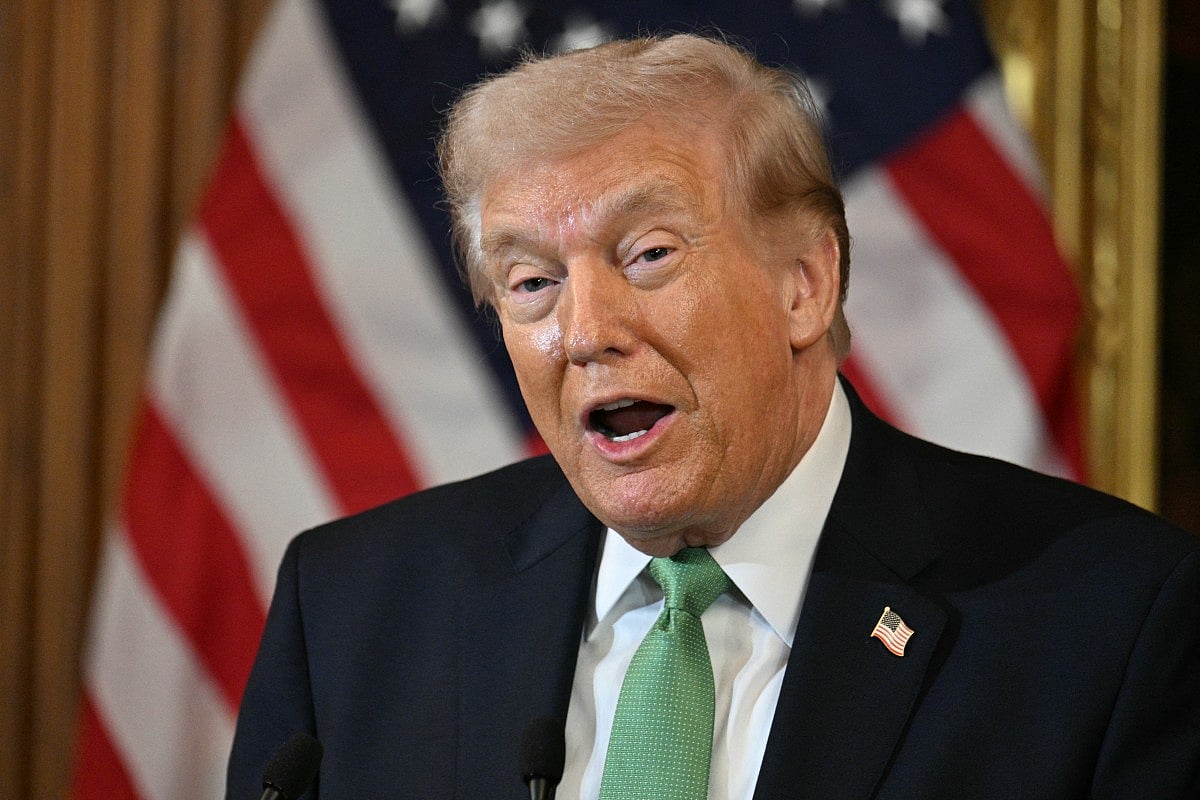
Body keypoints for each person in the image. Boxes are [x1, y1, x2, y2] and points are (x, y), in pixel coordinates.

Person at [226, 33, 1200, 799]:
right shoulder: (357, 611)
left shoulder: (1108, 624)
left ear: (805, 285)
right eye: (531, 281)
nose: (584, 330)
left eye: (647, 254)